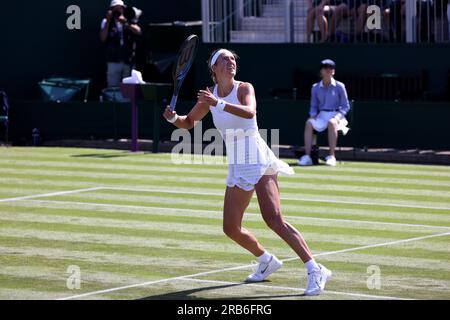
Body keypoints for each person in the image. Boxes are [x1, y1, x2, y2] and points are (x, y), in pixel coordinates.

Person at [163, 49, 332, 296]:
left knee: (273, 219)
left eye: (233, 59)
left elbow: (250, 112)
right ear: (214, 68)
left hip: (258, 158)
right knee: (230, 227)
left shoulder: (243, 88)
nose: (231, 62)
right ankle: (266, 260)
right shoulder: (208, 97)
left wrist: (218, 103)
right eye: (225, 59)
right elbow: (188, 123)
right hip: (237, 163)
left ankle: (315, 269)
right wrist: (172, 118)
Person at [299, 59, 350, 167]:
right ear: (321, 71)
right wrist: (312, 115)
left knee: (332, 122)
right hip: (322, 116)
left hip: (337, 116)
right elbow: (313, 106)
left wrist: (337, 117)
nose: (328, 70)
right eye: (325, 68)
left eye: (330, 68)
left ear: (333, 71)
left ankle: (332, 156)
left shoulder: (340, 86)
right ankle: (307, 156)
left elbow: (346, 106)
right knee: (309, 123)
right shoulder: (315, 88)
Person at [99, 0, 142, 87]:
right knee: (112, 87)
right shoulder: (106, 21)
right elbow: (103, 38)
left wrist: (125, 22)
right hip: (113, 61)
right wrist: (108, 20)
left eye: (120, 8)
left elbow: (138, 32)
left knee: (129, 88)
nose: (118, 11)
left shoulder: (129, 20)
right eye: (116, 9)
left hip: (128, 61)